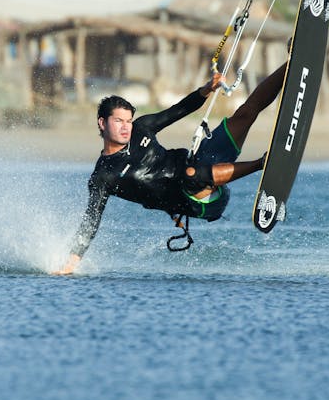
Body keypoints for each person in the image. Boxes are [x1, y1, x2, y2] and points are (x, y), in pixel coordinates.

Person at [54, 63, 288, 274]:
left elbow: (179, 110)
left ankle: (290, 65)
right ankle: (264, 163)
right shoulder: (103, 176)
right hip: (199, 200)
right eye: (118, 122)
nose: (126, 128)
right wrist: (72, 261)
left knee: (244, 115)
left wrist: (206, 89)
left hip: (202, 163)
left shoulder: (141, 128)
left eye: (128, 121)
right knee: (190, 175)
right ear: (102, 123)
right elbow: (91, 220)